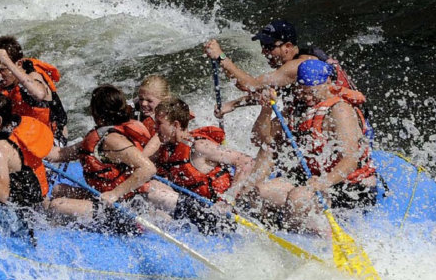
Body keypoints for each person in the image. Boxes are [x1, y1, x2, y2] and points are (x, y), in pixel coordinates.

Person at [250, 59, 377, 234]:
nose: (307, 98)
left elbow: (350, 160)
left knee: (298, 198)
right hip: (310, 178)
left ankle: (306, 240)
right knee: (260, 193)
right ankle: (273, 230)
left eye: (312, 93)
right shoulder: (298, 108)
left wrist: (323, 183)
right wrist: (266, 110)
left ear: (328, 83)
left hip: (347, 186)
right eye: (302, 92)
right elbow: (260, 139)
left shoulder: (340, 111)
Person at [202, 19, 364, 144]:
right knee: (259, 138)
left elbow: (249, 85)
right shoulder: (300, 62)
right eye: (262, 46)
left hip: (341, 124)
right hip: (323, 116)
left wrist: (220, 57)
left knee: (266, 140)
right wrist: (232, 105)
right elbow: (267, 92)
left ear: (287, 46)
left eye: (268, 46)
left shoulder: (297, 66)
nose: (263, 51)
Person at [45, 84, 177, 231]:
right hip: (109, 197)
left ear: (96, 112)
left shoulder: (111, 140)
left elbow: (148, 169)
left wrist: (114, 194)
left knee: (56, 206)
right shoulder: (99, 136)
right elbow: (60, 154)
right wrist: (25, 147)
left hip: (125, 205)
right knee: (58, 189)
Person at [0, 35, 69, 145]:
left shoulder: (33, 76)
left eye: (3, 70)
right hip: (22, 138)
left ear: (18, 64)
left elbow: (39, 94)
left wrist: (7, 62)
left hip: (51, 142)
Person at [153, 96, 253, 205]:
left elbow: (246, 161)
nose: (154, 127)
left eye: (159, 123)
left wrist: (229, 200)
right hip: (193, 207)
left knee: (155, 194)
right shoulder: (167, 149)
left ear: (176, 125)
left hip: (216, 209)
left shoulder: (199, 146)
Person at [134, 75, 169, 158]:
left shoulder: (168, 117)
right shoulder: (135, 109)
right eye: (141, 99)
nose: (143, 104)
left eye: (149, 101)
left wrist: (140, 160)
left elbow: (157, 140)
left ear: (164, 100)